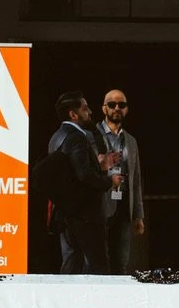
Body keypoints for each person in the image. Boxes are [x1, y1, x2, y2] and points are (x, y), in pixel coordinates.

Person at [43, 91, 116, 274]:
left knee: (71, 264)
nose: (90, 112)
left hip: (66, 213)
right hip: (84, 215)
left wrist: (99, 166)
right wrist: (109, 181)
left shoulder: (56, 137)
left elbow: (71, 173)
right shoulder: (77, 137)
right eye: (85, 109)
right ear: (73, 114)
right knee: (97, 266)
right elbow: (83, 175)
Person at [99, 89, 146, 272]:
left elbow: (136, 179)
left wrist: (138, 214)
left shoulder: (131, 141)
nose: (116, 108)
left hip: (123, 207)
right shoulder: (92, 136)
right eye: (112, 104)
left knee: (121, 263)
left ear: (126, 109)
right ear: (104, 108)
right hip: (99, 207)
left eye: (121, 105)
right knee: (98, 262)